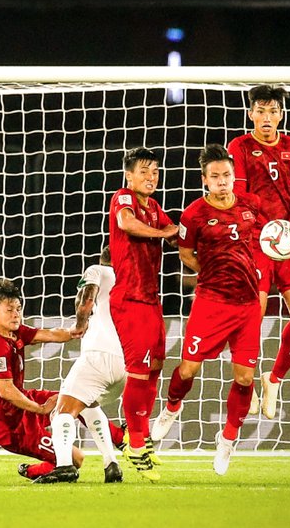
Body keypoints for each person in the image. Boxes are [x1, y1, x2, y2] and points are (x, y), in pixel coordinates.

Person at [150, 144, 271, 475]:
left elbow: (267, 239)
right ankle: (171, 407)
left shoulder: (251, 204)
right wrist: (212, 271)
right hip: (211, 302)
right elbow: (185, 254)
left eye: (227, 175)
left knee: (244, 378)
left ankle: (228, 439)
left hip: (247, 304)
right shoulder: (194, 214)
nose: (222, 181)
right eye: (215, 176)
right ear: (205, 179)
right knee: (188, 369)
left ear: (234, 176)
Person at [227, 85, 290, 420]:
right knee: (252, 315)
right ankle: (246, 383)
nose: (267, 117)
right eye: (261, 111)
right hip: (255, 241)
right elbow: (240, 194)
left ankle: (274, 378)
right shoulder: (239, 146)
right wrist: (267, 229)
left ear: (281, 115)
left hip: (288, 240)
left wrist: (288, 228)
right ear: (251, 113)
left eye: (273, 111)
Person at [107, 146, 177, 481]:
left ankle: (142, 435)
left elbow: (175, 233)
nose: (151, 177)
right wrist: (164, 233)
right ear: (129, 175)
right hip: (129, 298)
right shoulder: (124, 198)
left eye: (155, 171)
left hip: (150, 298)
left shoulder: (155, 207)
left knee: (155, 368)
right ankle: (134, 443)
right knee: (138, 372)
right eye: (144, 171)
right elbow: (127, 223)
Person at [0, 279, 85, 481]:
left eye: (18, 309)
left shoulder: (15, 333)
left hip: (23, 407)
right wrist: (40, 409)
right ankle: (30, 471)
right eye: (9, 310)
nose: (16, 314)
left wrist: (76, 330)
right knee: (76, 459)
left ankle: (120, 439)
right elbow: (6, 391)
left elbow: (51, 335)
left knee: (74, 398)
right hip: (9, 424)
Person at [45, 246, 128, 485]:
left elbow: (86, 299)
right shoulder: (132, 281)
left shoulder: (98, 270)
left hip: (98, 356)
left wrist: (80, 324)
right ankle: (111, 464)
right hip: (126, 363)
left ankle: (64, 466)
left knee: (61, 412)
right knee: (88, 406)